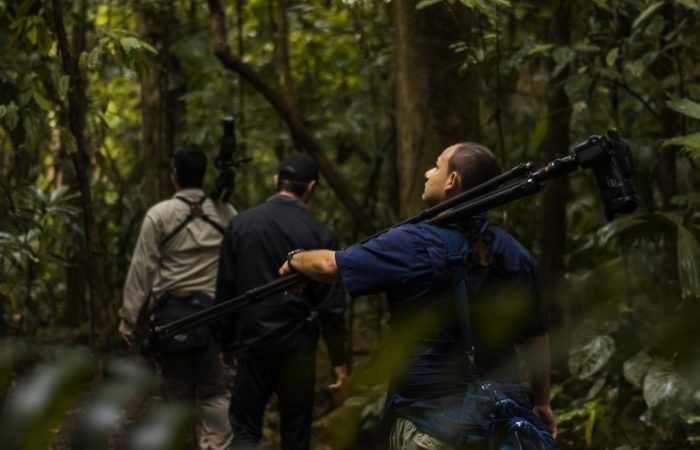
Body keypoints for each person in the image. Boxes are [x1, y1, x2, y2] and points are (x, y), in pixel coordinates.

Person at [278, 143, 557, 449]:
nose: (427, 172)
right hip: (499, 425)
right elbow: (535, 336)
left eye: (436, 166)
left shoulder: (415, 243)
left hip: (430, 424)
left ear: (452, 181)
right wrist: (542, 402)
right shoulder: (515, 254)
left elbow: (330, 265)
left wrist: (295, 259)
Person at [215, 153, 349, 450]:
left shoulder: (241, 224)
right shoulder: (319, 234)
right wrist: (339, 358)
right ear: (311, 187)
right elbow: (332, 303)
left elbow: (226, 288)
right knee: (296, 432)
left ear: (277, 182)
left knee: (246, 429)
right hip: (297, 345)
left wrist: (225, 342)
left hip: (253, 340)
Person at [119, 146, 235, 450]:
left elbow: (141, 269)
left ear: (174, 176)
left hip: (172, 322)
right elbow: (237, 262)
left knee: (175, 394)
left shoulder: (159, 215)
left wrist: (128, 321)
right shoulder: (225, 213)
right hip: (214, 319)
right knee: (215, 391)